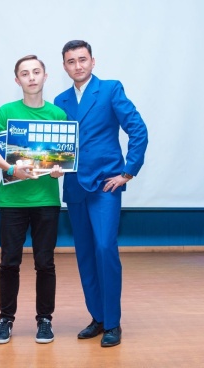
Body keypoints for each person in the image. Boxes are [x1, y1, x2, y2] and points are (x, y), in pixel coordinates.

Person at [54, 40, 148, 347]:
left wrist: (128, 171)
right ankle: (97, 317)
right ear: (65, 66)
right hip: (74, 187)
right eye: (71, 61)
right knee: (85, 255)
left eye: (82, 59)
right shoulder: (60, 100)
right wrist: (51, 164)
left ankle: (113, 322)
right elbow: (57, 147)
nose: (78, 65)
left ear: (93, 61)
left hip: (105, 186)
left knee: (105, 248)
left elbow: (138, 129)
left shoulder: (110, 89)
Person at [0, 55, 66, 345]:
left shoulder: (58, 115)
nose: (31, 77)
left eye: (36, 72)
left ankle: (45, 320)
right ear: (17, 80)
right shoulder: (6, 112)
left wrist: (60, 168)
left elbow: (65, 157)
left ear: (45, 76)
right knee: (9, 263)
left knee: (45, 264)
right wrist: (10, 168)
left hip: (46, 201)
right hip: (12, 202)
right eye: (25, 73)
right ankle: (5, 319)